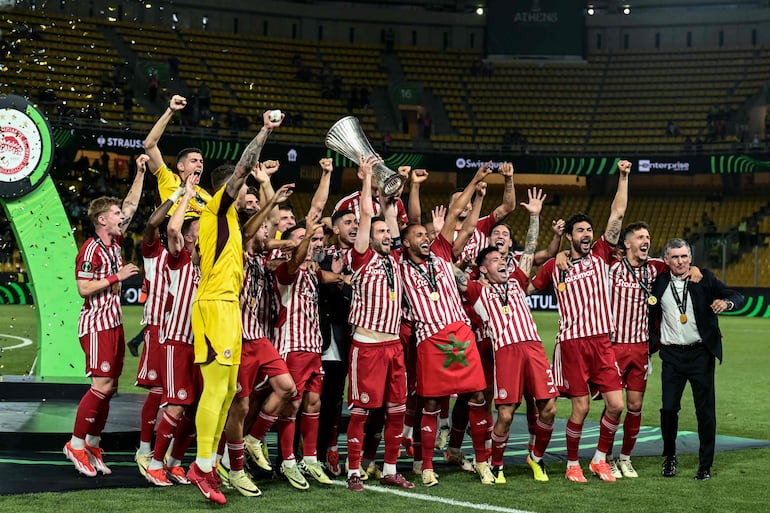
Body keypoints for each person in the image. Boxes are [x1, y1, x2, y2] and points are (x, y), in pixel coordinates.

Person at [186, 110, 284, 505]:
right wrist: (264, 131)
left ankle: (208, 466)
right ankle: (202, 465)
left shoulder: (228, 223)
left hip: (228, 309)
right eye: (241, 191)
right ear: (228, 188)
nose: (245, 196)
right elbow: (242, 169)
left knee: (228, 392)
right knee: (215, 391)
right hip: (213, 306)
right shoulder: (215, 209)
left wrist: (269, 195)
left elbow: (257, 225)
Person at [528, 159, 632, 483]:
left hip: (602, 342)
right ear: (570, 236)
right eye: (581, 231)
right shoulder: (555, 266)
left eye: (589, 229)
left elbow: (617, 215)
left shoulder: (602, 253)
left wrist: (624, 177)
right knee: (581, 409)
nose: (587, 234)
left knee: (616, 405)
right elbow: (527, 288)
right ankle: (572, 462)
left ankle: (599, 458)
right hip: (572, 343)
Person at [399, 162, 495, 487]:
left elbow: (456, 213)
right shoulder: (399, 267)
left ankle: (483, 461)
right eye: (418, 236)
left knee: (478, 395)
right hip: (429, 338)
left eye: (426, 234)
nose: (426, 238)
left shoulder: (441, 253)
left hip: (460, 332)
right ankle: (426, 465)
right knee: (428, 401)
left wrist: (474, 181)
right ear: (406, 244)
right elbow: (405, 219)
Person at [456, 188, 559, 485]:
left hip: (534, 349)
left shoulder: (516, 281)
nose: (501, 261)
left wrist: (535, 217)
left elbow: (528, 250)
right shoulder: (477, 290)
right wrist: (447, 234)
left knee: (549, 408)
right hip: (506, 353)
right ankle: (497, 464)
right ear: (483, 269)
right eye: (493, 260)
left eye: (502, 259)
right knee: (505, 415)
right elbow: (447, 269)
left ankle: (536, 458)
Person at [64, 163, 145, 477]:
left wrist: (139, 173)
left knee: (110, 388)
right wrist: (117, 275)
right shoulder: (91, 249)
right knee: (100, 385)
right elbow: (83, 289)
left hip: (113, 323)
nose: (120, 216)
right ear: (101, 220)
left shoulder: (115, 242)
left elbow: (132, 206)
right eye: (114, 213)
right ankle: (76, 444)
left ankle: (94, 444)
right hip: (96, 324)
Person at [344, 155, 414, 491]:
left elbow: (387, 214)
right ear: (368, 237)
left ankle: (389, 468)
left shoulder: (396, 258)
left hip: (393, 345)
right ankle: (353, 470)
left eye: (389, 232)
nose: (387, 234)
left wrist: (390, 198)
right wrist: (368, 178)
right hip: (367, 345)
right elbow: (369, 214)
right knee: (361, 412)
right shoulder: (361, 256)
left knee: (397, 410)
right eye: (381, 232)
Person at [649, 238, 743, 481]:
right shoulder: (658, 283)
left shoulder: (704, 278)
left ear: (690, 258)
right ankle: (670, 457)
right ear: (666, 260)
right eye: (675, 257)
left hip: (700, 355)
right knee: (668, 409)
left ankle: (705, 464)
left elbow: (736, 296)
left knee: (705, 412)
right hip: (671, 356)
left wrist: (726, 302)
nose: (680, 261)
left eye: (684, 257)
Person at [145, 179, 201, 488]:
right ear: (191, 239)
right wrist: (186, 197)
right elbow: (171, 230)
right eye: (200, 232)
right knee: (176, 405)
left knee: (193, 408)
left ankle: (175, 463)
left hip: (200, 346)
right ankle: (154, 463)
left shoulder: (209, 268)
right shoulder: (179, 260)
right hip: (177, 341)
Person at [143, 94, 211, 218]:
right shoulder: (169, 179)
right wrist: (171, 110)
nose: (199, 164)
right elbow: (149, 145)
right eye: (194, 161)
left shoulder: (205, 195)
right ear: (181, 166)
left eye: (201, 161)